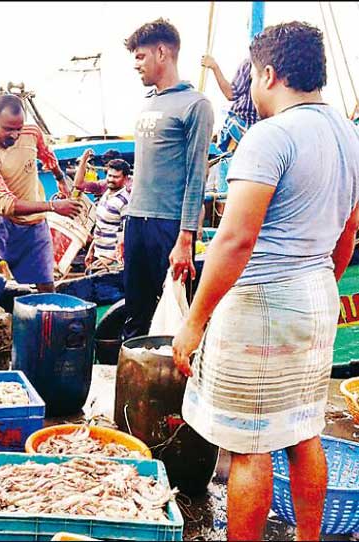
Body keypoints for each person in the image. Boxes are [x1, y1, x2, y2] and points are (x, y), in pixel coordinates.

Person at [173, 22, 359, 541]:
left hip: (263, 303)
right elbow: (349, 229)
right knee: (305, 431)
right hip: (318, 292)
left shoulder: (269, 136)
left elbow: (235, 242)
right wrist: (321, 281)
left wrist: (194, 321)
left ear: (270, 73)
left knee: (249, 445)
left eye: (254, 76)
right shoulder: (351, 135)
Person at [122, 18, 214, 341]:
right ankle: (132, 383)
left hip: (169, 226)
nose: (136, 65)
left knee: (176, 315)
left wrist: (185, 239)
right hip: (136, 222)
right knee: (135, 313)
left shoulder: (196, 105)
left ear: (162, 52)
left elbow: (196, 175)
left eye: (140, 56)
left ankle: (179, 388)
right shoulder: (148, 102)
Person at [0, 93, 83, 311]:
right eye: (8, 129)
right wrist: (53, 207)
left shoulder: (31, 133)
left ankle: (48, 325)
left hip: (33, 223)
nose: (14, 134)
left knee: (47, 286)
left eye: (18, 128)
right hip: (0, 217)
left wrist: (60, 178)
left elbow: (46, 154)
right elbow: (7, 203)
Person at [76, 150, 131, 275]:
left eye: (116, 177)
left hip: (112, 262)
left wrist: (109, 258)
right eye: (109, 176)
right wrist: (91, 250)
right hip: (98, 257)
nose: (111, 180)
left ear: (125, 178)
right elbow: (101, 226)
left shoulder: (125, 202)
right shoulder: (106, 193)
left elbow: (127, 235)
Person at [201, 55, 259, 153]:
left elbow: (231, 94)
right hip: (255, 132)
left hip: (241, 127)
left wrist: (214, 67)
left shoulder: (251, 63)